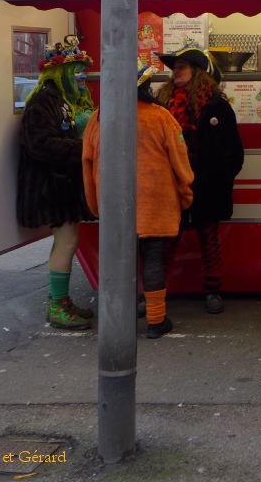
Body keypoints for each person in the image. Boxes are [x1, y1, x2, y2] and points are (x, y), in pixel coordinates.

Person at [82, 66, 194, 339]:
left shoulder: (99, 118)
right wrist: (185, 194)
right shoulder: (161, 116)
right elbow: (180, 162)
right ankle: (156, 321)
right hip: (155, 203)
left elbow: (87, 163)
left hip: (113, 205)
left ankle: (120, 320)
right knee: (153, 261)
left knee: (122, 264)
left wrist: (95, 204)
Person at [156, 48, 244, 315]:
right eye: (174, 67)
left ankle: (213, 291)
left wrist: (221, 178)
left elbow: (234, 151)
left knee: (208, 238)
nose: (176, 71)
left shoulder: (217, 106)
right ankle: (154, 294)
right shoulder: (163, 104)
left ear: (197, 72)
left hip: (207, 184)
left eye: (182, 66)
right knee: (167, 239)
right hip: (172, 183)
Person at [17, 36, 96, 329]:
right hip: (51, 187)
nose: (82, 77)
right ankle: (57, 304)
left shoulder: (62, 100)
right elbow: (40, 144)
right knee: (66, 241)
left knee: (68, 240)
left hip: (61, 186)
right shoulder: (44, 102)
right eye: (77, 72)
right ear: (61, 72)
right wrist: (84, 149)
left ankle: (60, 300)